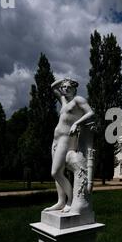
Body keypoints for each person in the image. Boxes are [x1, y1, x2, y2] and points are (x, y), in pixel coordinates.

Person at [44, 79, 94, 213]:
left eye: (68, 87)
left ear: (74, 88)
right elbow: (53, 86)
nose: (65, 89)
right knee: (58, 173)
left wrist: (76, 123)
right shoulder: (64, 102)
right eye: (63, 87)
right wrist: (64, 79)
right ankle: (61, 201)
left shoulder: (78, 100)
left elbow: (91, 112)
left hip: (66, 139)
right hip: (56, 140)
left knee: (55, 172)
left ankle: (70, 200)